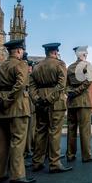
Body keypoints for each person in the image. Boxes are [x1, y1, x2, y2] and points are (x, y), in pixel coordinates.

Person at [0, 39, 35, 183]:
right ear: (19, 51)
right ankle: (17, 175)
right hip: (17, 109)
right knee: (17, 142)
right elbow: (20, 85)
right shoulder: (21, 64)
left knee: (2, 143)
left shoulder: (0, 66)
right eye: (22, 50)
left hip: (0, 110)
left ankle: (0, 173)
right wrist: (8, 100)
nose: (22, 53)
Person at [29, 43, 72, 174]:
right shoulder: (60, 64)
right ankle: (54, 163)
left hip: (40, 101)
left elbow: (31, 86)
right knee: (54, 132)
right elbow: (61, 85)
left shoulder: (37, 66)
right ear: (55, 52)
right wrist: (49, 99)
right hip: (55, 102)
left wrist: (37, 99)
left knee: (40, 131)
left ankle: (37, 161)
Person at [66, 46, 92, 163]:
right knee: (84, 130)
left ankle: (70, 154)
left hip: (71, 102)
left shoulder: (69, 67)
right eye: (85, 53)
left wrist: (70, 92)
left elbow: (66, 85)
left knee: (71, 128)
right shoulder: (87, 65)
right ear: (83, 54)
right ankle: (86, 155)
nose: (86, 55)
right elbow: (88, 81)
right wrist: (76, 91)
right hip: (83, 101)